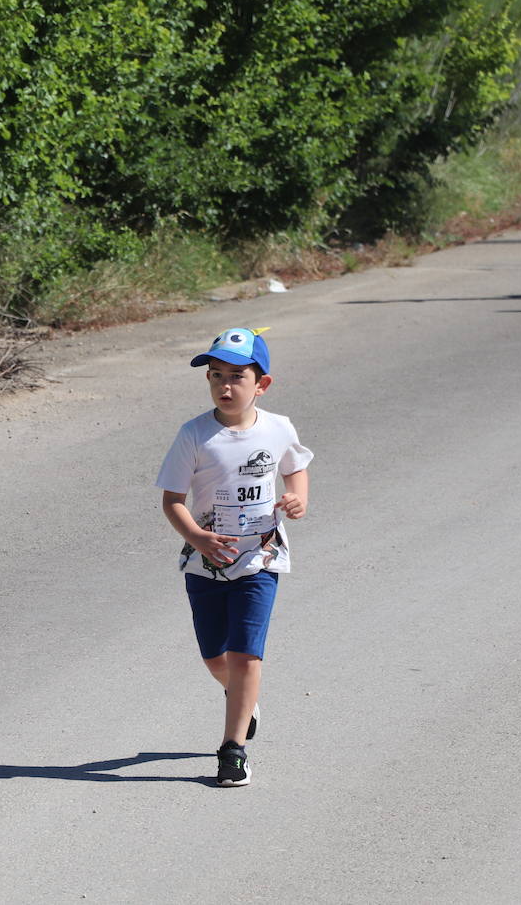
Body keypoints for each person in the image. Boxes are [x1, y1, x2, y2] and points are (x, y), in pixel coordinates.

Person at [155, 328, 312, 787]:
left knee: (246, 655)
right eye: (215, 376)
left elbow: (295, 468)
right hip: (204, 562)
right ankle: (241, 697)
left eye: (237, 377)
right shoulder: (195, 435)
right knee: (214, 655)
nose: (225, 386)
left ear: (261, 384)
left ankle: (232, 749)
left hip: (259, 559)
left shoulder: (278, 427)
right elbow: (172, 500)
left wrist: (297, 499)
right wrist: (197, 536)